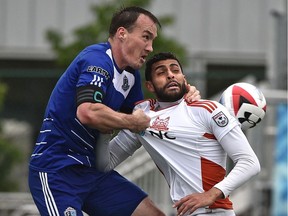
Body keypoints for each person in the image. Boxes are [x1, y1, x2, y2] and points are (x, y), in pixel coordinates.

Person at [29, 6, 200, 216]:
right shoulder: (97, 59)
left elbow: (149, 116)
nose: (149, 47)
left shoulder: (130, 75)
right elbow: (88, 112)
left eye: (152, 40)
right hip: (57, 171)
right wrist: (131, 122)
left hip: (93, 173)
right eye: (146, 37)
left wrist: (184, 97)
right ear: (122, 33)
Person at [103, 52, 261, 216]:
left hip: (214, 211)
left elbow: (250, 162)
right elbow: (106, 163)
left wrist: (210, 194)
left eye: (175, 70)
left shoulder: (208, 110)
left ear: (184, 79)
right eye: (161, 72)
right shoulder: (141, 116)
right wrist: (104, 126)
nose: (170, 75)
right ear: (149, 86)